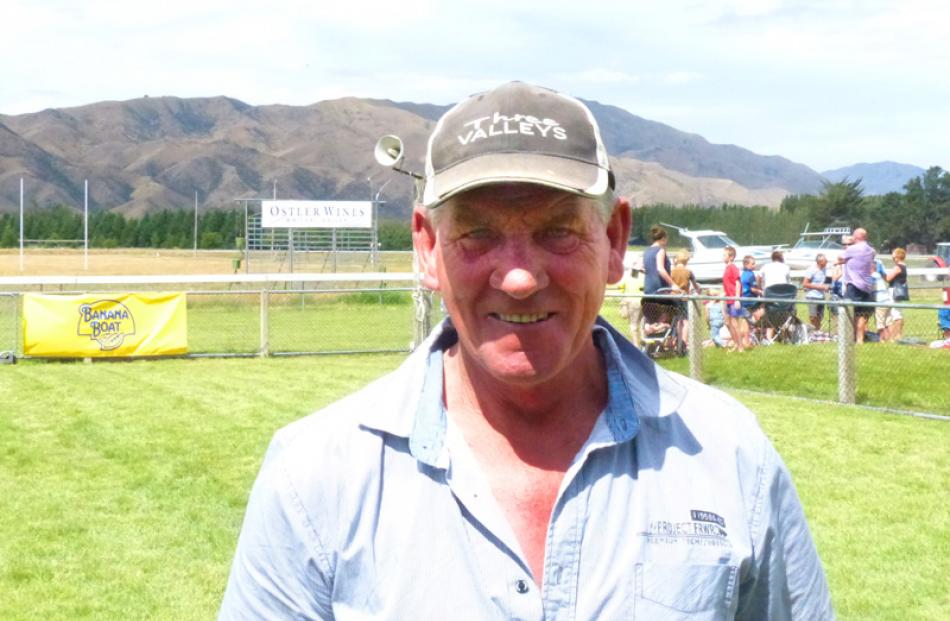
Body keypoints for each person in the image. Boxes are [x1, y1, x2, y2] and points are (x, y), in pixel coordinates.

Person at [219, 81, 832, 620]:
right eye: (477, 232)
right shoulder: (316, 475)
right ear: (428, 247)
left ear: (615, 239)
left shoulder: (727, 457)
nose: (518, 277)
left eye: (558, 230)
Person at [836, 228, 875, 343]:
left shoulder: (852, 249)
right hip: (867, 286)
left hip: (853, 285)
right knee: (862, 315)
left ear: (856, 237)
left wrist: (845, 259)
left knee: (848, 312)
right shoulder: (871, 250)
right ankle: (860, 340)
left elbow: (840, 258)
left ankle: (848, 339)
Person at [641, 225, 678, 332]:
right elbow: (660, 269)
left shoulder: (646, 251)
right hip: (660, 291)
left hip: (648, 291)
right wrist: (673, 284)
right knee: (673, 311)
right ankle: (660, 327)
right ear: (663, 238)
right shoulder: (660, 250)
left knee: (653, 317)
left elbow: (643, 268)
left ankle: (650, 327)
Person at [722, 246, 746, 352]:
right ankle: (736, 343)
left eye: (724, 255)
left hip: (733, 299)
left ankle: (741, 347)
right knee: (728, 323)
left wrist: (737, 298)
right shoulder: (726, 268)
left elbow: (737, 283)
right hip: (728, 299)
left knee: (735, 324)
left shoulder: (733, 268)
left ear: (731, 257)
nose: (722, 257)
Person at [618, 261, 644, 348]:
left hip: (631, 301)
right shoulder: (644, 276)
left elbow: (621, 287)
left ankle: (636, 345)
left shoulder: (628, 276)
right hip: (642, 301)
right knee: (641, 323)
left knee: (633, 324)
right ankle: (643, 343)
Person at [803, 254, 831, 332]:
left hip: (821, 296)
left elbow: (824, 282)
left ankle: (818, 332)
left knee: (820, 316)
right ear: (819, 262)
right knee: (813, 316)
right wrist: (821, 287)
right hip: (812, 296)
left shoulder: (825, 269)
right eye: (825, 261)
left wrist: (826, 287)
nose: (827, 262)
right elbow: (805, 284)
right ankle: (813, 332)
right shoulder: (811, 270)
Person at [884, 248, 908, 341]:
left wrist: (881, 273)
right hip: (898, 291)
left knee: (896, 313)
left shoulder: (898, 267)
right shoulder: (904, 266)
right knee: (897, 312)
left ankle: (897, 335)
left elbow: (888, 278)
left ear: (897, 256)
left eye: (893, 255)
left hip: (894, 291)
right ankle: (895, 335)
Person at [739, 255, 763, 346]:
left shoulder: (743, 274)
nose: (754, 265)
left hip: (743, 301)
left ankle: (747, 339)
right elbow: (753, 289)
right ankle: (758, 326)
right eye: (752, 264)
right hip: (750, 301)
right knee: (764, 306)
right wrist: (761, 291)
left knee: (745, 322)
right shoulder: (750, 274)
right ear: (746, 264)